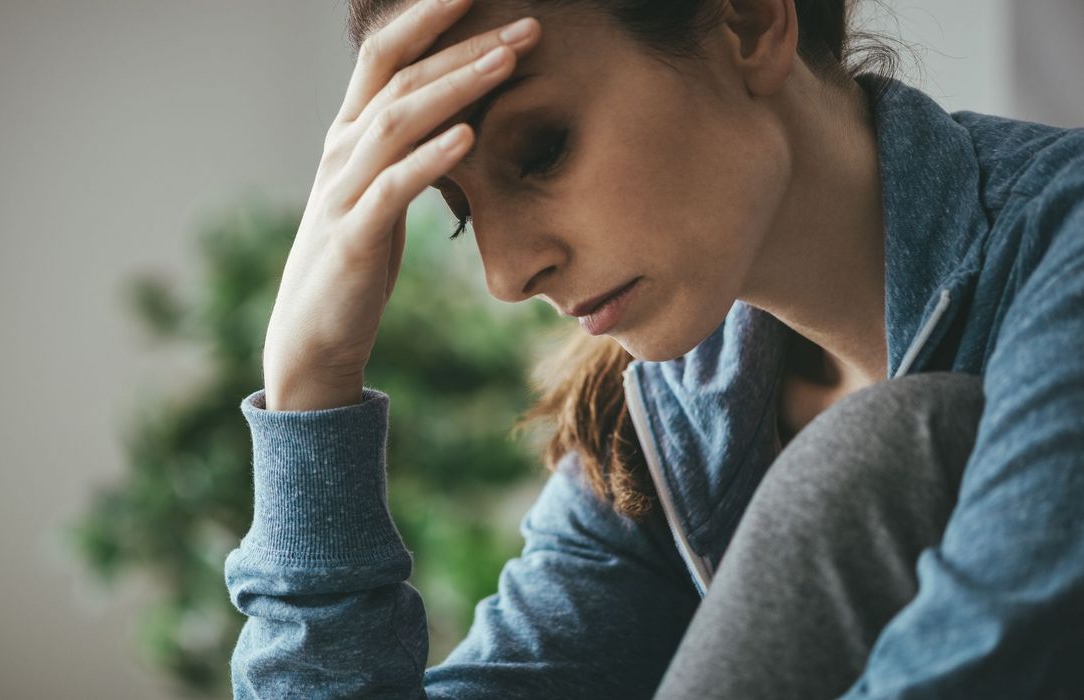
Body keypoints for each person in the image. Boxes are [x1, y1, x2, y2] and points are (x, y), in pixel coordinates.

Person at [223, 0, 1084, 696]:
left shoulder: (1064, 245)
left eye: (543, 148)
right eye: (457, 207)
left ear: (747, 22)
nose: (507, 273)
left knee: (885, 447)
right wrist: (311, 391)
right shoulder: (667, 421)